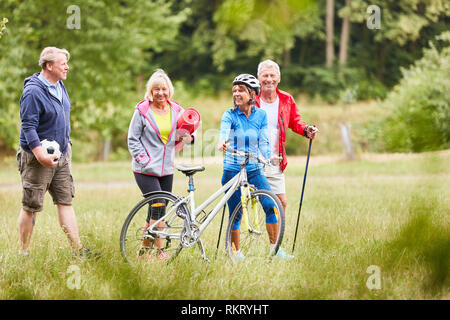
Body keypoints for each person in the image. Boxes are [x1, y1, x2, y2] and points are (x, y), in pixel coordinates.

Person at [17, 47, 88, 257]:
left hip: (62, 155)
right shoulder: (33, 92)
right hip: (37, 157)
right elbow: (28, 127)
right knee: (31, 206)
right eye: (62, 63)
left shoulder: (60, 85)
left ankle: (79, 251)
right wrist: (40, 154)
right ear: (49, 66)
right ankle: (24, 253)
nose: (67, 67)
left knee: (65, 201)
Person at [217, 74, 292, 260]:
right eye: (234, 90)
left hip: (253, 168)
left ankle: (275, 250)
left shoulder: (261, 115)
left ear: (252, 93)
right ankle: (235, 252)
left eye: (240, 90)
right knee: (236, 212)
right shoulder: (230, 114)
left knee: (270, 204)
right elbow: (224, 130)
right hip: (232, 169)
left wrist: (269, 156)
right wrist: (222, 142)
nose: (236, 93)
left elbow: (264, 141)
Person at [128, 68, 194, 262]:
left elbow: (187, 130)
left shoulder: (176, 110)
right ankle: (160, 250)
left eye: (164, 89)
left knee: (155, 210)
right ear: (151, 91)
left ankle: (142, 251)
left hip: (166, 169)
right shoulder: (142, 111)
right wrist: (144, 160)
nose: (160, 93)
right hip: (145, 169)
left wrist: (190, 138)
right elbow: (132, 139)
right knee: (159, 208)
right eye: (156, 89)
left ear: (169, 90)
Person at [255, 59, 318, 214]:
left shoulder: (286, 99)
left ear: (279, 78)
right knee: (248, 202)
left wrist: (306, 130)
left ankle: (276, 239)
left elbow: (295, 121)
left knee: (280, 202)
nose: (269, 79)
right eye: (265, 75)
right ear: (258, 78)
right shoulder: (251, 99)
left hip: (276, 158)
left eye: (272, 75)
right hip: (253, 157)